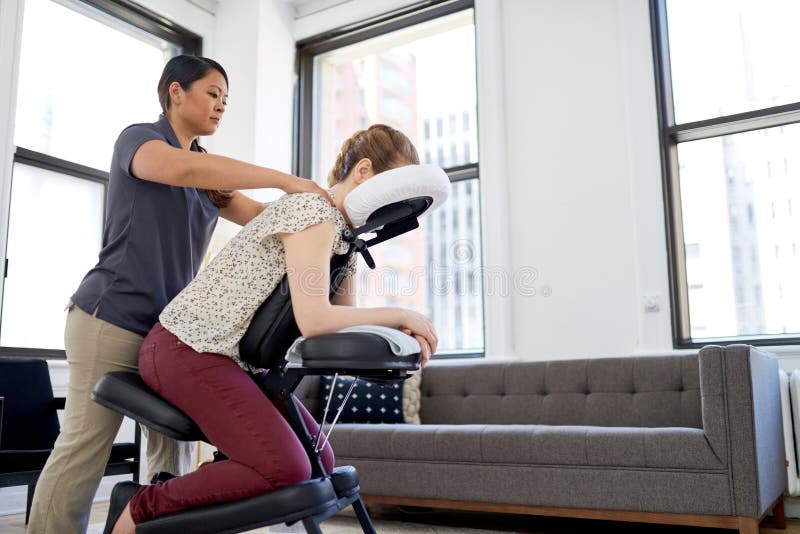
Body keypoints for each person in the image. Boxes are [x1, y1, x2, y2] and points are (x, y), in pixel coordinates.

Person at [28, 55, 333, 534]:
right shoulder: (140, 141)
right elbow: (185, 172)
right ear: (175, 92)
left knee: (172, 450)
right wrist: (285, 179)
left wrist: (327, 220)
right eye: (212, 94)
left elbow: (260, 219)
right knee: (86, 448)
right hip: (109, 319)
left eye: (226, 100)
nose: (221, 107)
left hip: (166, 337)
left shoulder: (209, 174)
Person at [102, 124, 438, 533]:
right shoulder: (312, 212)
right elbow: (316, 320)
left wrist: (400, 336)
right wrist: (400, 315)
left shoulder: (345, 243)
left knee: (320, 462)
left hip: (234, 362)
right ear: (364, 171)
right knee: (289, 467)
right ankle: (139, 505)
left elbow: (343, 325)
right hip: (186, 347)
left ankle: (181, 493)